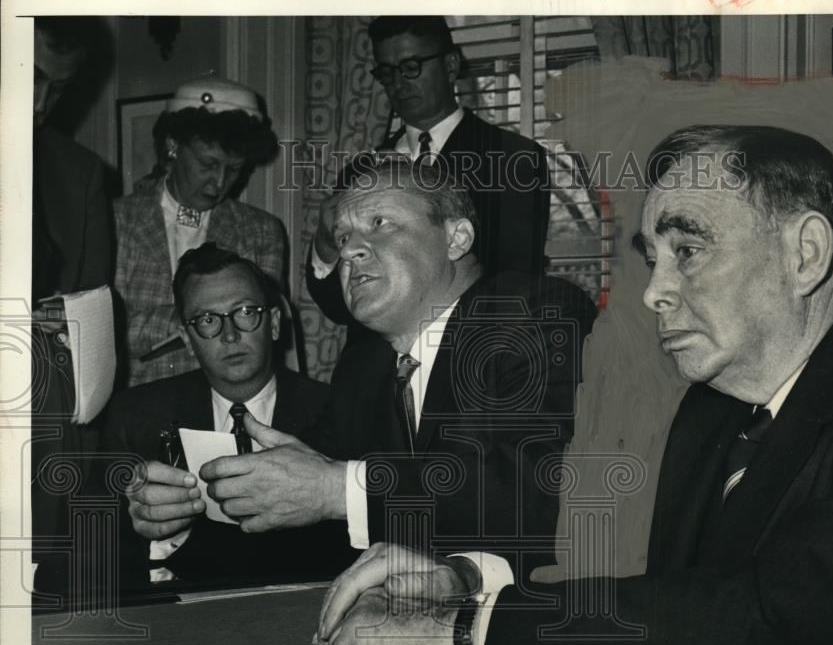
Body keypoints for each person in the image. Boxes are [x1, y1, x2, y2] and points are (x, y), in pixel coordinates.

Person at [316, 126, 833, 645]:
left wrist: (464, 627)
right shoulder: (713, 405)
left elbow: (773, 618)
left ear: (805, 253)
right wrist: (468, 581)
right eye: (652, 258)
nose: (654, 291)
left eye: (687, 250)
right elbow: (648, 587)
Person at [137, 156, 595, 588]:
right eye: (341, 237)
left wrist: (338, 489)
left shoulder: (534, 314)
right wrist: (183, 519)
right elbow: (307, 533)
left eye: (379, 224)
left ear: (457, 238)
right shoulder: (364, 367)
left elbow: (537, 493)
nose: (350, 250)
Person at [102, 244, 349, 592]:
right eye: (207, 321)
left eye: (245, 312)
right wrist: (152, 532)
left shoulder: (338, 411)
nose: (230, 335)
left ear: (274, 324)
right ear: (187, 340)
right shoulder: (134, 416)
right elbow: (96, 556)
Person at [306, 15, 551, 328]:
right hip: (376, 368)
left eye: (411, 67)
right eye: (387, 72)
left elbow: (516, 282)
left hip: (470, 354)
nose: (398, 82)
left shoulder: (515, 158)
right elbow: (338, 309)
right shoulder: (359, 172)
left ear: (450, 65)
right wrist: (326, 247)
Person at [114, 76, 287, 387]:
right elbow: (106, 330)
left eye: (234, 169)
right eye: (208, 164)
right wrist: (210, 320)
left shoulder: (261, 231)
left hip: (224, 403)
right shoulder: (117, 221)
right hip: (134, 403)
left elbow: (258, 336)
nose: (219, 183)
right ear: (173, 147)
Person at [32, 16, 115, 590]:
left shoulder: (80, 174)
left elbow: (88, 351)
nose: (41, 104)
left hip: (40, 451)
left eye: (58, 88)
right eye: (31, 76)